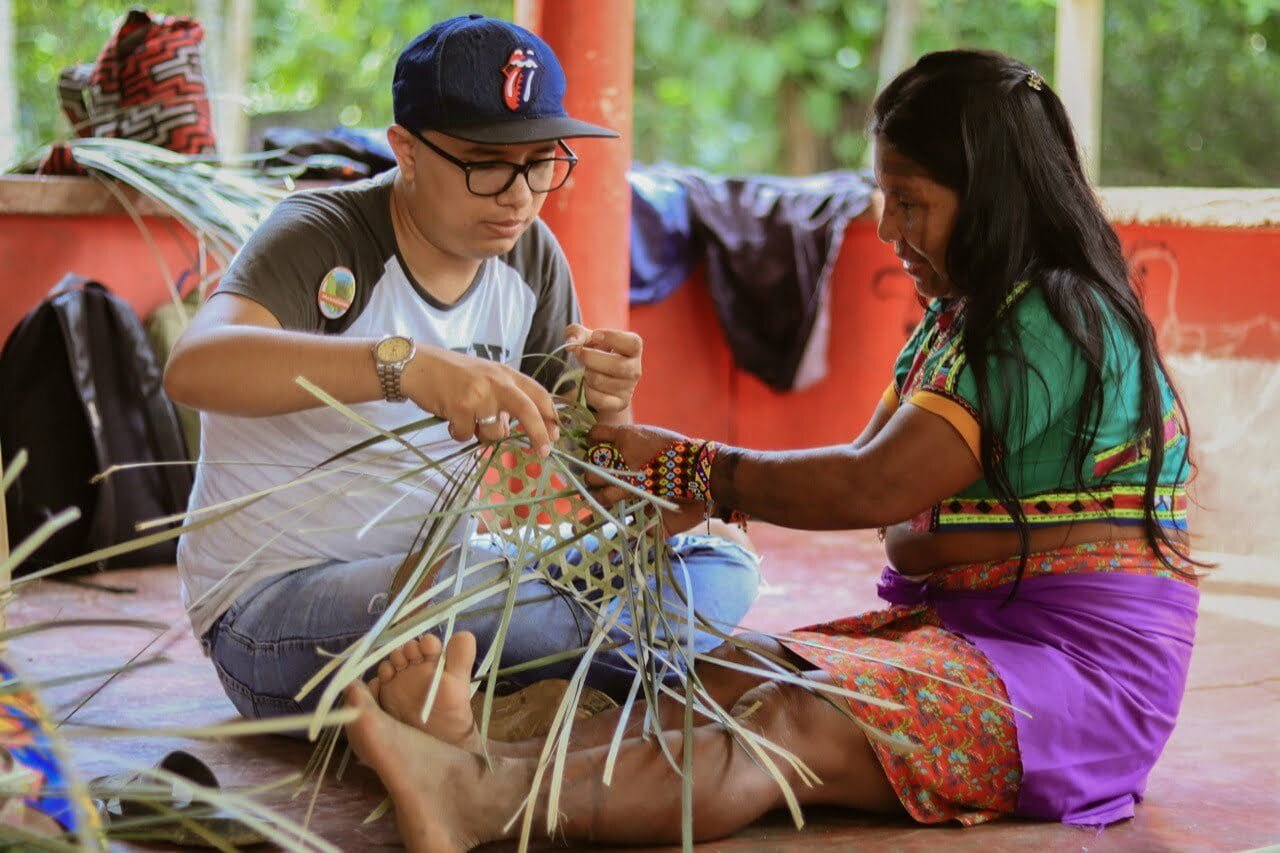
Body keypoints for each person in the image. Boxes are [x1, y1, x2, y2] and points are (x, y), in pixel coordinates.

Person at [338, 49, 1201, 851]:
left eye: (912, 201)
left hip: (1072, 686)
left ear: (991, 195)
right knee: (720, 669)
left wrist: (693, 470)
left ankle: (483, 802)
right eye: (884, 196)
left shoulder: (1055, 315)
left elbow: (873, 486)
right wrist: (674, 475)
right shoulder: (960, 320)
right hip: (970, 639)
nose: (889, 227)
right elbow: (864, 468)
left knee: (783, 718)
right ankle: (475, 760)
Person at [163, 14, 761, 720]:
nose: (519, 194)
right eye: (486, 163)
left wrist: (613, 415)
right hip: (273, 612)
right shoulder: (321, 232)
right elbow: (196, 366)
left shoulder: (530, 258)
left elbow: (587, 472)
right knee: (482, 593)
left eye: (542, 162)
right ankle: (534, 695)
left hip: (451, 586)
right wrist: (404, 366)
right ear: (406, 151)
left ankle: (473, 707)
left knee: (719, 567)